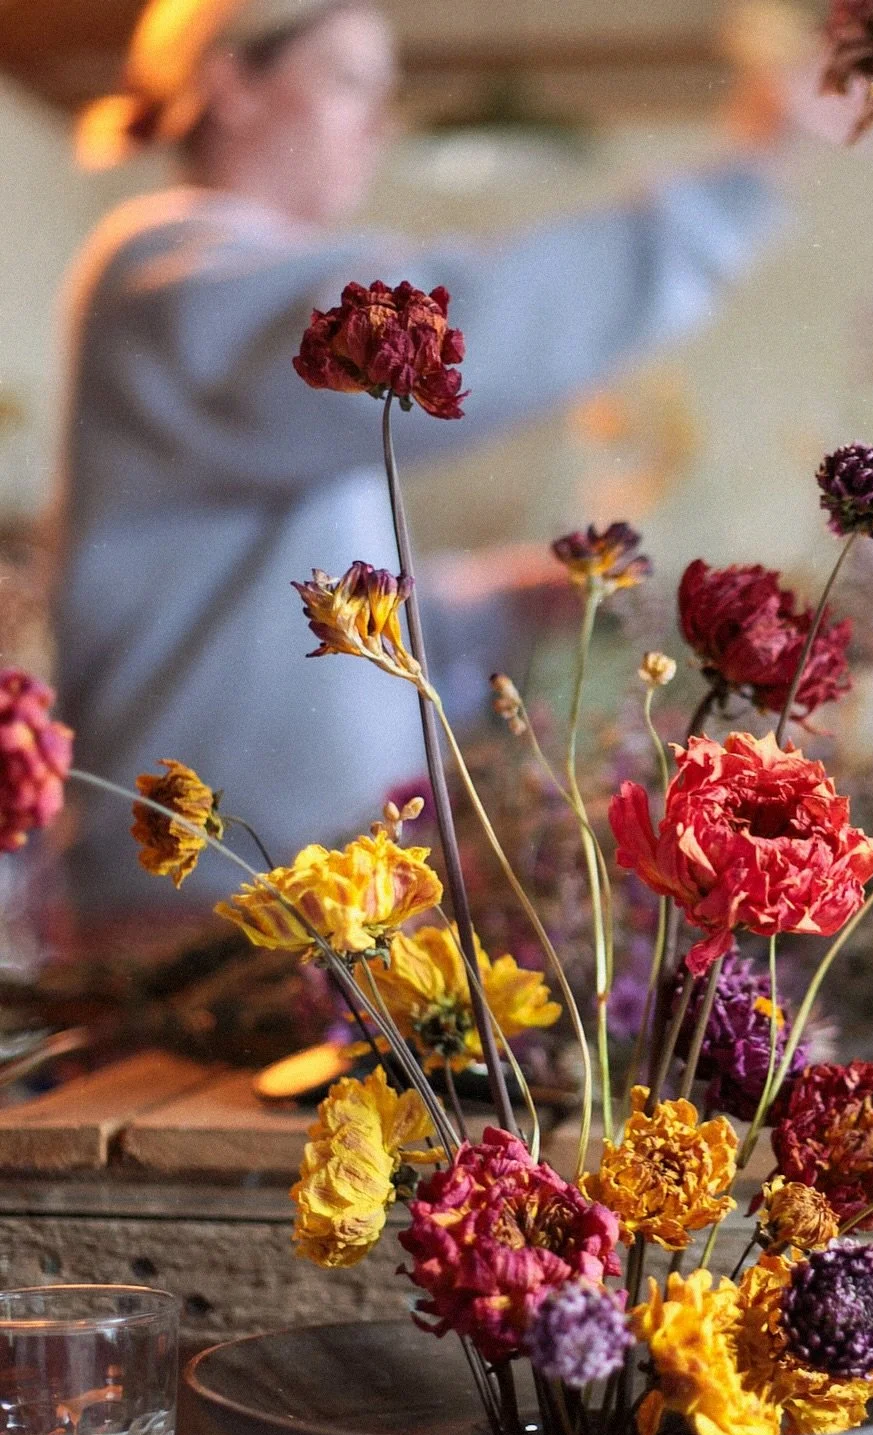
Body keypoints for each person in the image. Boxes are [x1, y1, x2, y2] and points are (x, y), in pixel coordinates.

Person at [54, 0, 784, 911]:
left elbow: (279, 604)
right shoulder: (166, 273)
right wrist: (742, 180)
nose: (381, 122)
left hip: (290, 884)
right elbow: (425, 335)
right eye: (349, 81)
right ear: (230, 85)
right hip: (203, 897)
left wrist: (482, 603)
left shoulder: (222, 289)